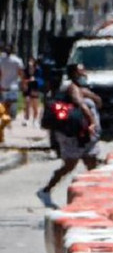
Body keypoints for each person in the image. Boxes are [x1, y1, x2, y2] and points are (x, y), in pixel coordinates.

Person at [37, 63, 102, 208]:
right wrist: (91, 122)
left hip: (84, 134)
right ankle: (46, 191)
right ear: (73, 74)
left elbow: (95, 100)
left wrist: (93, 97)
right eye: (80, 72)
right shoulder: (71, 88)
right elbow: (82, 105)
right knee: (70, 165)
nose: (84, 74)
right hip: (73, 134)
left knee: (92, 163)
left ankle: (95, 196)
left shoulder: (77, 88)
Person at [0, 44, 22, 140]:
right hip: (14, 86)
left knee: (5, 105)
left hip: (4, 85)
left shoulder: (1, 60)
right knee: (10, 105)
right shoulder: (17, 60)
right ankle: (7, 122)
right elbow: (20, 72)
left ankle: (5, 123)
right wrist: (23, 82)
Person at [22, 57, 41, 124]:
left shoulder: (38, 70)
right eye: (29, 61)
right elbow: (23, 79)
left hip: (35, 88)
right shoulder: (25, 70)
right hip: (27, 88)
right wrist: (25, 84)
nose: (30, 63)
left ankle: (35, 119)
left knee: (35, 105)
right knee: (27, 104)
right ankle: (26, 118)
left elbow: (41, 80)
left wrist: (35, 79)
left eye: (32, 61)